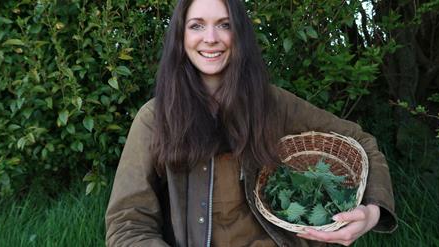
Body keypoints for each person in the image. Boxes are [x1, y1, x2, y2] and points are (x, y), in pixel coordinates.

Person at [105, 0, 398, 246]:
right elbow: (127, 223)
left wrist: (372, 212)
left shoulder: (273, 104)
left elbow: (361, 143)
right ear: (180, 37)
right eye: (196, 25)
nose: (211, 37)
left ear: (240, 33)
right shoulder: (155, 119)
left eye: (225, 24)